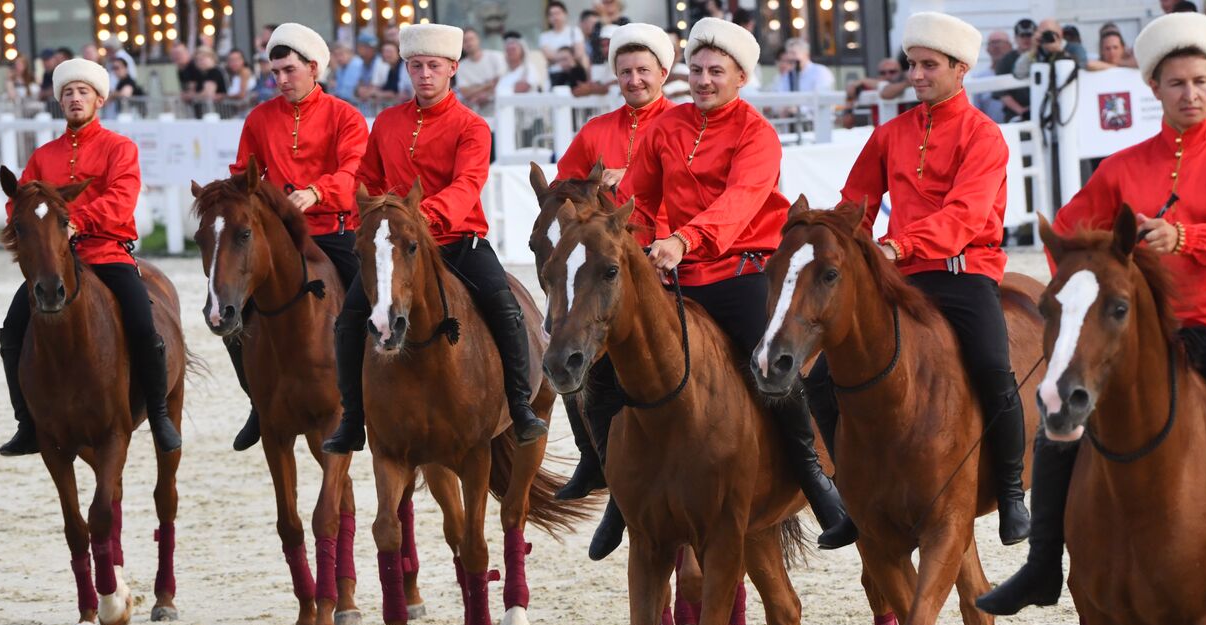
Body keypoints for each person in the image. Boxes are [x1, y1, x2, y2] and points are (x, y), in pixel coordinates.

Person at [978, 12, 1206, 615]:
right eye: (1176, 83)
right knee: (1059, 421)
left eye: (1200, 81)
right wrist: (1095, 279)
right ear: (1153, 89)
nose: (1190, 93)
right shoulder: (1122, 168)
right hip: (1134, 335)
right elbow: (1068, 234)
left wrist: (1185, 239)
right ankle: (1043, 565)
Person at [614, 16, 856, 555]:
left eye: (715, 71)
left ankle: (814, 477)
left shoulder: (756, 134)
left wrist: (683, 239)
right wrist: (639, 244)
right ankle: (616, 489)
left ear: (740, 77)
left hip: (741, 272)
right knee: (614, 350)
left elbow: (741, 202)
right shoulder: (665, 127)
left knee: (773, 365)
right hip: (675, 273)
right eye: (696, 69)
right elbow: (636, 200)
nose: (702, 80)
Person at [839, 11, 1031, 548]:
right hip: (899, 276)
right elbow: (857, 201)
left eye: (929, 65)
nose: (917, 74)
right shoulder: (890, 132)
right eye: (912, 64)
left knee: (994, 369)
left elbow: (966, 215)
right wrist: (838, 237)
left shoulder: (984, 136)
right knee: (827, 363)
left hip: (962, 273)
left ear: (960, 69)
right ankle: (848, 491)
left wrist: (899, 244)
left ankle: (1012, 493)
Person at [325, 23, 548, 454]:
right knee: (349, 319)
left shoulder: (472, 126)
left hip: (457, 238)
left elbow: (468, 184)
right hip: (396, 245)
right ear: (407, 68)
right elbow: (367, 180)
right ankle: (353, 419)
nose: (424, 74)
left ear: (452, 69)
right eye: (416, 66)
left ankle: (520, 405)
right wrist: (371, 221)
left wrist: (418, 218)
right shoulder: (387, 122)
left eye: (433, 66)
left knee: (505, 305)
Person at [0, 58, 180, 456]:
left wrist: (76, 221)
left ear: (100, 99)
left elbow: (122, 198)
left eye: (82, 92)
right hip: (53, 262)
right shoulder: (43, 156)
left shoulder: (120, 148)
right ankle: (27, 423)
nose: (74, 98)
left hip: (106, 253)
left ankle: (160, 414)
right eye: (67, 93)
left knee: (142, 323)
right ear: (59, 103)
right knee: (11, 330)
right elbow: (20, 205)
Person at [226, 23, 370, 451]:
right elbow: (243, 177)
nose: (281, 80)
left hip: (335, 232)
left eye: (289, 70)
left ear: (314, 68)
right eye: (275, 73)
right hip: (279, 241)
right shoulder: (259, 118)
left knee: (378, 307)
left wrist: (317, 191)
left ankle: (374, 397)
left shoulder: (345, 116)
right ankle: (258, 399)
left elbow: (354, 173)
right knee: (229, 313)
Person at [552, 23, 677, 508]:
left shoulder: (680, 125)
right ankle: (596, 456)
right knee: (562, 342)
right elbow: (560, 192)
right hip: (605, 267)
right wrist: (587, 186)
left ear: (663, 73)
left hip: (664, 257)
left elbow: (684, 190)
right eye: (625, 71)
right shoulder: (597, 130)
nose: (634, 79)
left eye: (643, 70)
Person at [1012, 17, 1088, 78]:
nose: (1048, 37)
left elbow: (1082, 67)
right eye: (1044, 33)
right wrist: (1032, 51)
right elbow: (1019, 73)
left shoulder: (1074, 48)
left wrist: (1060, 52)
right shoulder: (1039, 52)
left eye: (1051, 33)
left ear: (1060, 33)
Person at [455, 27, 506, 117]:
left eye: (471, 39)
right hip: (478, 116)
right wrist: (487, 85)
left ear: (478, 40)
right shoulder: (460, 66)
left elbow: (502, 83)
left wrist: (477, 90)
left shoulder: (495, 57)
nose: (469, 43)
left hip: (501, 112)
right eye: (465, 41)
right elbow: (465, 93)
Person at [995, 18, 1033, 122]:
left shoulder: (1043, 57)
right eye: (1022, 36)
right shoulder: (1006, 60)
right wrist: (1022, 111)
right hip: (1015, 115)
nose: (1026, 39)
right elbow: (1001, 92)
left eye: (1029, 35)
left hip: (1043, 112)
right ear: (1016, 38)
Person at [539, 1, 588, 67]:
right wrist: (568, 57)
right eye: (551, 14)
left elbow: (579, 52)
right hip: (555, 73)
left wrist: (559, 57)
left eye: (557, 13)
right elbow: (548, 55)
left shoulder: (575, 31)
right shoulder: (544, 36)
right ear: (548, 18)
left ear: (565, 14)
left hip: (574, 71)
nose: (555, 17)